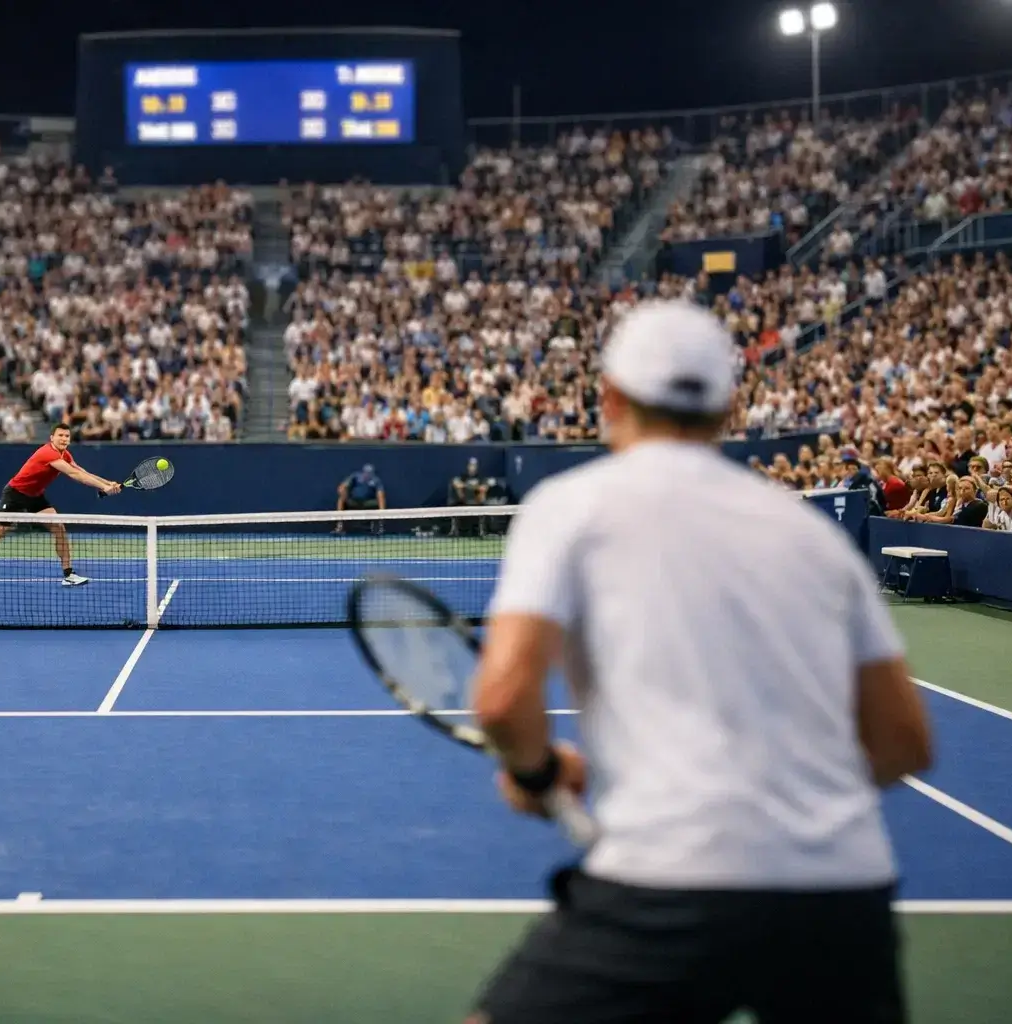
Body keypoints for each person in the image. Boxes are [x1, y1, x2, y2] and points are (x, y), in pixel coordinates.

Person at [467, 300, 932, 1024]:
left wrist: (537, 774)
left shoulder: (569, 507)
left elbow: (501, 699)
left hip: (666, 882)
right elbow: (904, 742)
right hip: (842, 897)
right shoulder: (815, 539)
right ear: (727, 409)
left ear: (609, 397)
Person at [0, 422, 120, 585]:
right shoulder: (48, 453)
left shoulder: (65, 454)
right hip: (15, 494)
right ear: (52, 438)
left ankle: (68, 574)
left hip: (35, 496)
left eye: (67, 436)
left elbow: (81, 470)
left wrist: (107, 483)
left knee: (59, 527)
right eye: (60, 435)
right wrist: (104, 487)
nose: (64, 438)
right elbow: (75, 475)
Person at [334, 463, 385, 535]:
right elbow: (342, 487)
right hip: (354, 501)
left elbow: (380, 493)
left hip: (368, 502)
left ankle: (380, 526)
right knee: (341, 499)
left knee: (381, 499)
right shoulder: (355, 476)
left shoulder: (376, 480)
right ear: (363, 472)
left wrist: (382, 512)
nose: (367, 474)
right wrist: (343, 493)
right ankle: (339, 526)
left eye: (369, 473)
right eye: (366, 472)